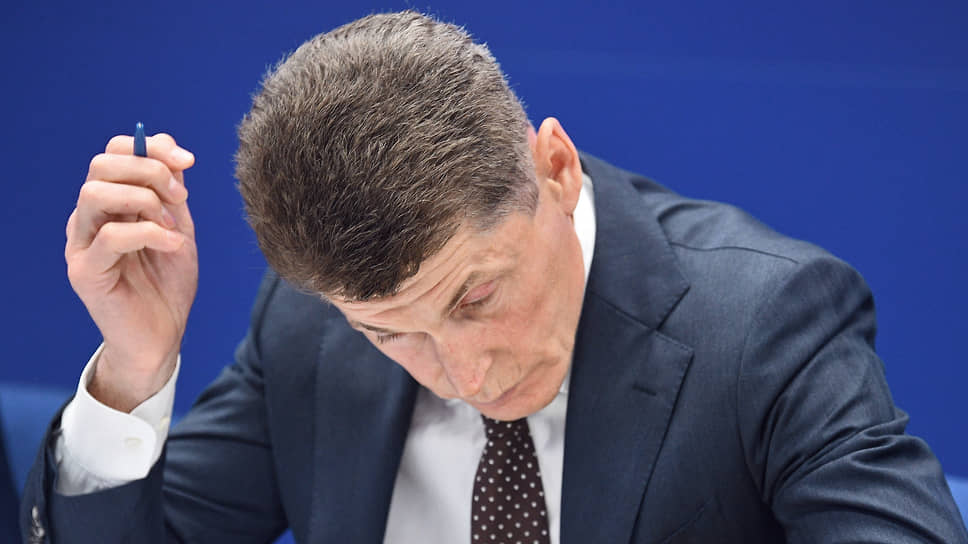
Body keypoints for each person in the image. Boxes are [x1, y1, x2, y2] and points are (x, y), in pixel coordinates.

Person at [20, 10, 968, 544]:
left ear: (555, 169)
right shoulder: (308, 328)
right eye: (391, 333)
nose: (465, 377)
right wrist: (135, 367)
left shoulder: (763, 321)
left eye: (475, 297)